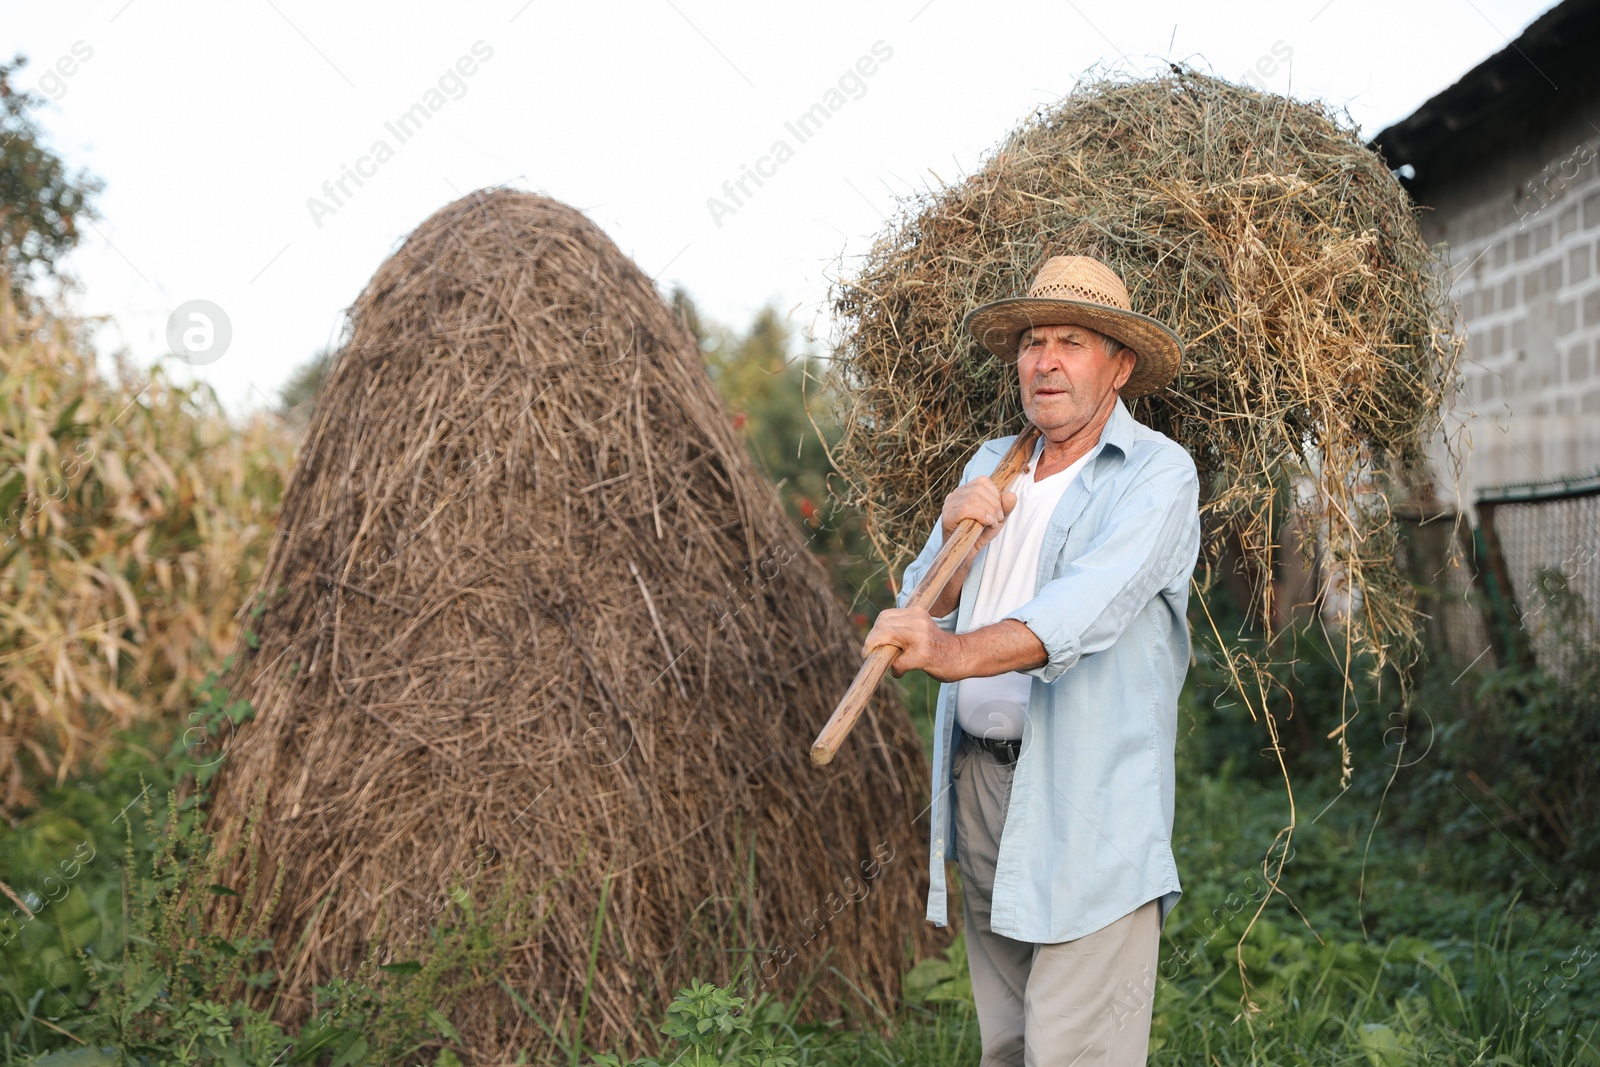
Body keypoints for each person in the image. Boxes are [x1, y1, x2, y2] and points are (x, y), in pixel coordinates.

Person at [863, 255, 1201, 1066]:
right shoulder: (991, 465)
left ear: (1118, 367)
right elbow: (921, 604)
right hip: (980, 782)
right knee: (1009, 1042)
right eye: (1034, 341)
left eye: (1073, 342)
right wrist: (948, 542)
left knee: (1077, 1051)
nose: (1045, 360)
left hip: (1087, 793)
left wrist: (948, 651)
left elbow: (1082, 609)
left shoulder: (1155, 474)